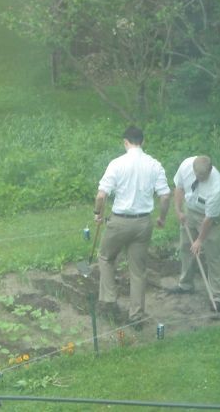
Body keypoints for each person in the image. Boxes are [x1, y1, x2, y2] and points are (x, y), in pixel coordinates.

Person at [93, 126, 170, 328]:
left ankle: (109, 299)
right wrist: (162, 217)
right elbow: (165, 196)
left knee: (105, 257)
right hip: (143, 223)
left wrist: (98, 214)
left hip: (120, 221)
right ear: (142, 142)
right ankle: (136, 315)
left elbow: (101, 195)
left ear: (125, 142)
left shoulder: (117, 164)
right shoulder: (154, 165)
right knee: (138, 270)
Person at [170, 156, 220, 312]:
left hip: (211, 218)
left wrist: (200, 240)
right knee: (186, 246)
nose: (199, 179)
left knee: (212, 254)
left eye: (203, 177)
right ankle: (186, 285)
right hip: (191, 210)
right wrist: (179, 210)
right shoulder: (186, 166)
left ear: (210, 170)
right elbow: (180, 187)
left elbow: (209, 219)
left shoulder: (217, 187)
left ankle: (217, 297)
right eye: (197, 175)